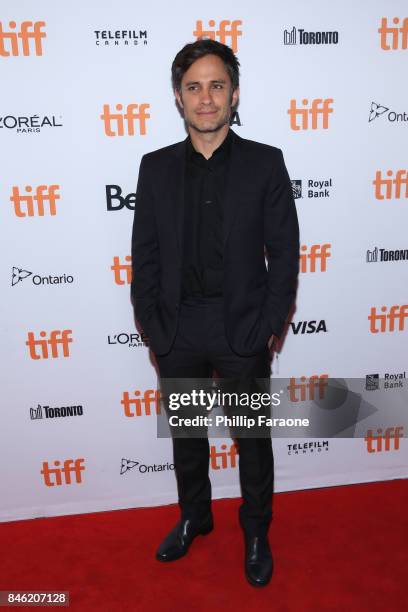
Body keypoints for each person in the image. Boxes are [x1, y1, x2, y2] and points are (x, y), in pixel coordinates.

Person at [131, 39, 299, 587]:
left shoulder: (265, 163)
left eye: (217, 85)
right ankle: (194, 517)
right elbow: (146, 256)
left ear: (234, 93)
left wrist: (268, 324)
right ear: (179, 98)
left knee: (252, 439)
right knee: (187, 435)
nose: (206, 98)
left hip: (242, 328)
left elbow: (286, 253)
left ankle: (256, 529)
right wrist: (156, 328)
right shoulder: (153, 168)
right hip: (178, 327)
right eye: (194, 86)